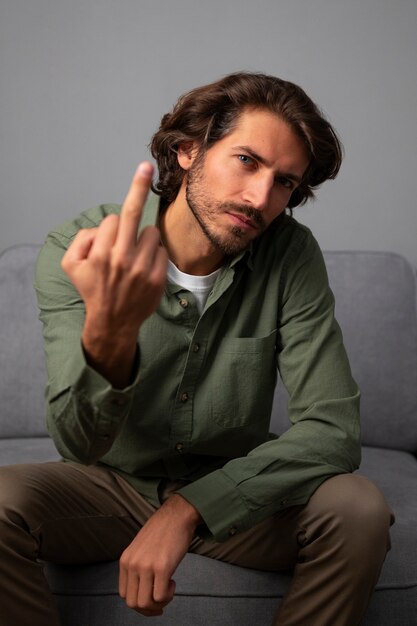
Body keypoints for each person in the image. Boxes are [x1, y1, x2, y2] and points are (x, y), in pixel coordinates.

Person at [0, 72, 393, 625]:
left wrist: (190, 508)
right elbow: (77, 442)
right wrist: (111, 336)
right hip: (110, 484)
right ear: (189, 150)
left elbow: (331, 430)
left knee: (359, 508)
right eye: (248, 161)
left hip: (237, 494)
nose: (261, 198)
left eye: (284, 182)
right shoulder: (84, 249)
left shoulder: (290, 254)